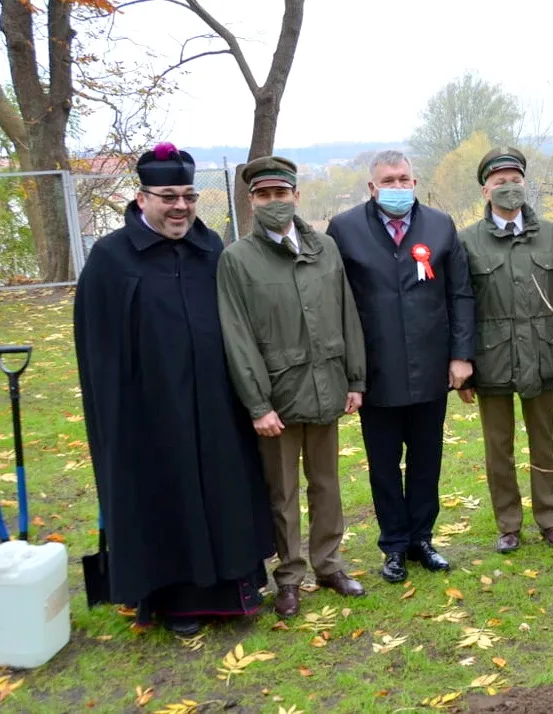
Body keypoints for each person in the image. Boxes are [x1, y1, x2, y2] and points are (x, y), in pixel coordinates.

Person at [73, 143, 274, 636]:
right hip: (150, 413)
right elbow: (97, 352)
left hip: (216, 405)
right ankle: (177, 603)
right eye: (168, 196)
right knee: (168, 496)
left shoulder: (211, 250)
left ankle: (233, 591)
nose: (181, 206)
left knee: (224, 490)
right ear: (142, 199)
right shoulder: (111, 259)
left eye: (188, 195)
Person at [217, 156, 367, 619]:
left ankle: (329, 564)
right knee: (281, 494)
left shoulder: (325, 248)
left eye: (281, 194)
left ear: (296, 195)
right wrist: (258, 404)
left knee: (327, 485)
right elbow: (236, 336)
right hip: (277, 397)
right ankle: (289, 577)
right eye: (264, 195)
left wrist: (355, 378)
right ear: (252, 201)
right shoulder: (237, 259)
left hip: (326, 385)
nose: (274, 203)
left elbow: (348, 314)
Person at [326, 151, 475, 583]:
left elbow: (460, 294)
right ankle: (393, 544)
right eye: (388, 180)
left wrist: (461, 355)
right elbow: (339, 302)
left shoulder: (440, 226)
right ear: (372, 188)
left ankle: (422, 539)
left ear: (415, 181)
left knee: (427, 459)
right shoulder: (346, 229)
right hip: (376, 372)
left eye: (404, 178)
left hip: (431, 366)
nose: (397, 186)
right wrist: (350, 371)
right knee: (384, 463)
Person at [456, 147, 553, 553]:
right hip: (491, 358)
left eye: (515, 181)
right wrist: (465, 366)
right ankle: (508, 524)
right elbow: (461, 305)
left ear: (524, 184)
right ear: (485, 190)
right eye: (500, 182)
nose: (509, 188)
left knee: (544, 443)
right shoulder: (468, 241)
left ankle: (551, 519)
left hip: (543, 353)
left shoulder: (550, 234)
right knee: (498, 448)